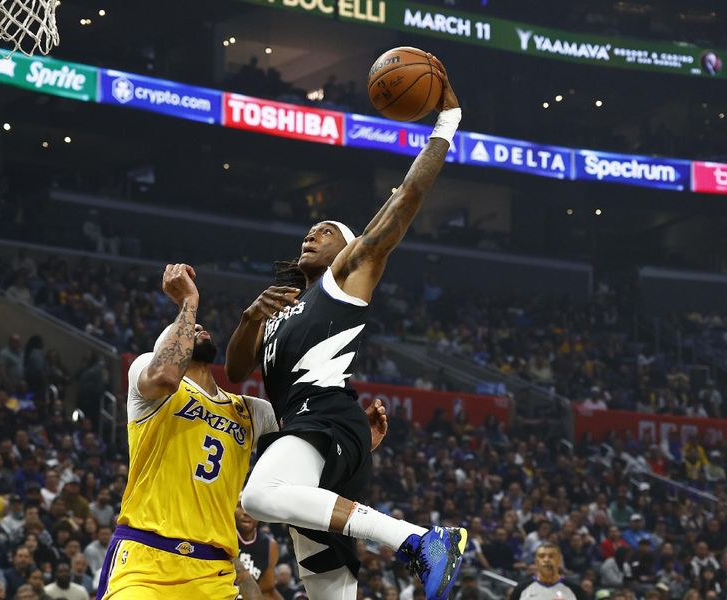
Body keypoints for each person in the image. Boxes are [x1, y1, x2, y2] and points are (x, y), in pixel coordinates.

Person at [226, 55, 466, 600]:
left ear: (351, 245)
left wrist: (445, 124)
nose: (314, 231)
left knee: (259, 495)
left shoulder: (347, 275)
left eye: (328, 229)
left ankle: (420, 541)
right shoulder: (283, 308)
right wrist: (249, 317)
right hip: (315, 440)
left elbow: (405, 199)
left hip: (323, 423)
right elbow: (237, 371)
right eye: (310, 229)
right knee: (329, 590)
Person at [95, 263, 275, 599]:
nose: (198, 328)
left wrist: (358, 436)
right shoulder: (150, 383)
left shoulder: (250, 410)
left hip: (213, 570)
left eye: (199, 327)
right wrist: (187, 302)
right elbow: (164, 373)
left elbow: (308, 443)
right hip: (145, 561)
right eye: (189, 328)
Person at [236, 500, 283, 600]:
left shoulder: (270, 545)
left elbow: (267, 591)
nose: (245, 512)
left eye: (249, 507)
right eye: (240, 506)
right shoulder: (223, 538)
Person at [510, 543, 584, 599]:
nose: (546, 560)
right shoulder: (520, 589)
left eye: (551, 556)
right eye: (541, 556)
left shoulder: (576, 590)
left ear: (559, 560)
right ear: (536, 561)